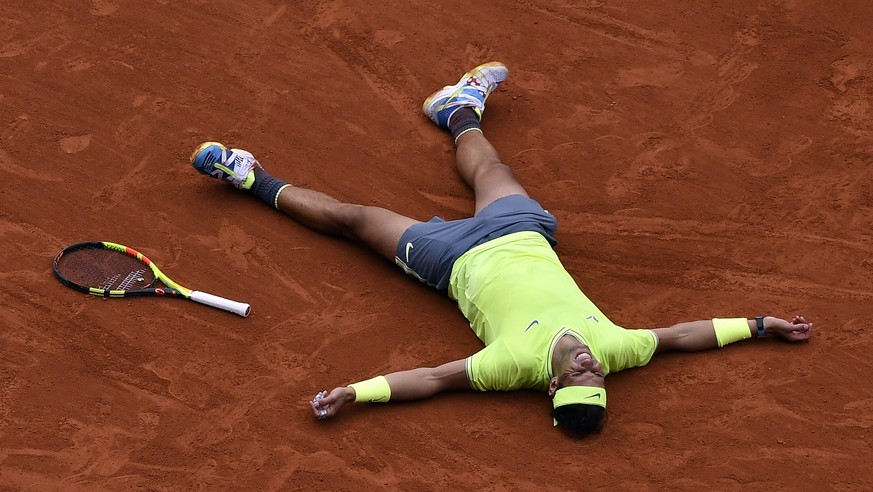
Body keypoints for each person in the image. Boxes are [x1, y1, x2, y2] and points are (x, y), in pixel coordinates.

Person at [189, 62, 813, 437]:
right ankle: (457, 109)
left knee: (355, 220)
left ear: (550, 388)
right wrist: (760, 324)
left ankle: (249, 178)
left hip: (448, 258)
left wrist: (359, 391)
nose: (590, 370)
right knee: (489, 165)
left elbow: (432, 379)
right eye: (594, 379)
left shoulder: (510, 366)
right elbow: (682, 336)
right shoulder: (620, 351)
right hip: (520, 232)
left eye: (577, 380)